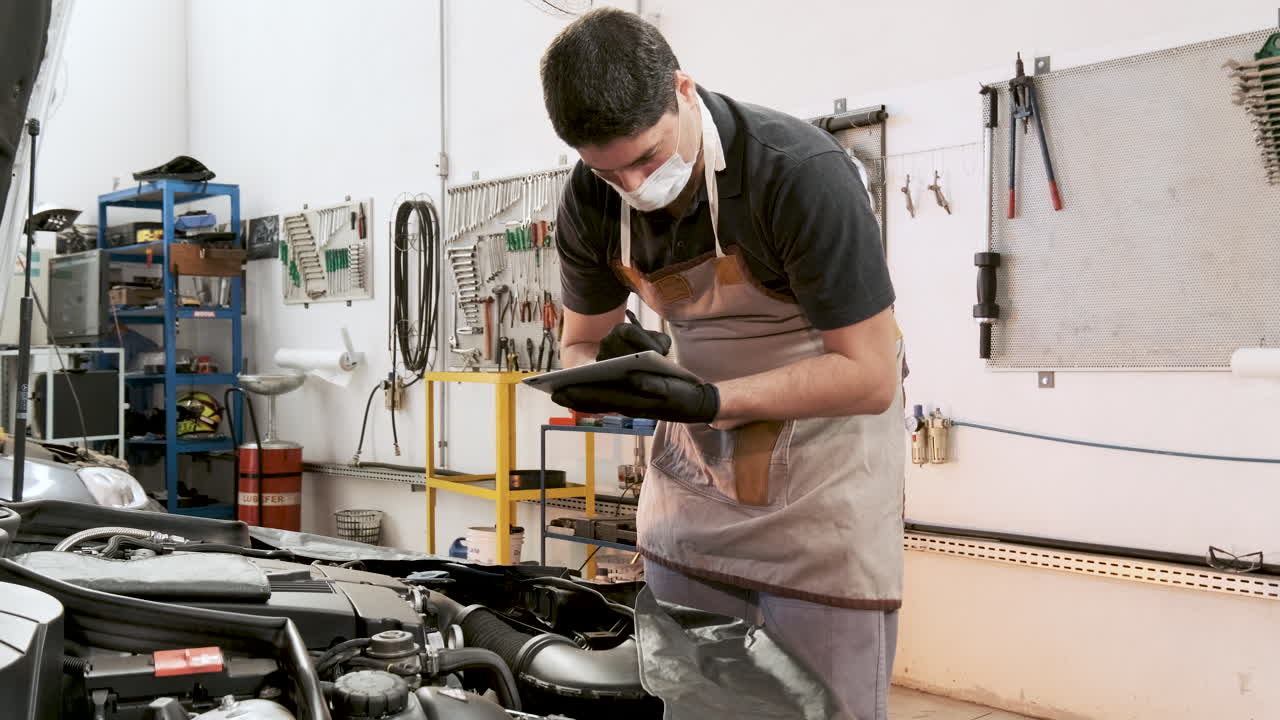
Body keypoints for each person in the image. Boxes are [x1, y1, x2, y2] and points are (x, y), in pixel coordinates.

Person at [540, 9, 905, 719]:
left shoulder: (798, 172)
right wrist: (605, 377)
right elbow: (580, 341)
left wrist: (711, 399)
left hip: (822, 478)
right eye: (607, 170)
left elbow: (870, 374)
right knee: (693, 698)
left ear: (682, 89)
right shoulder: (590, 199)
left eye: (646, 158)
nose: (633, 184)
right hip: (694, 474)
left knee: (822, 708)